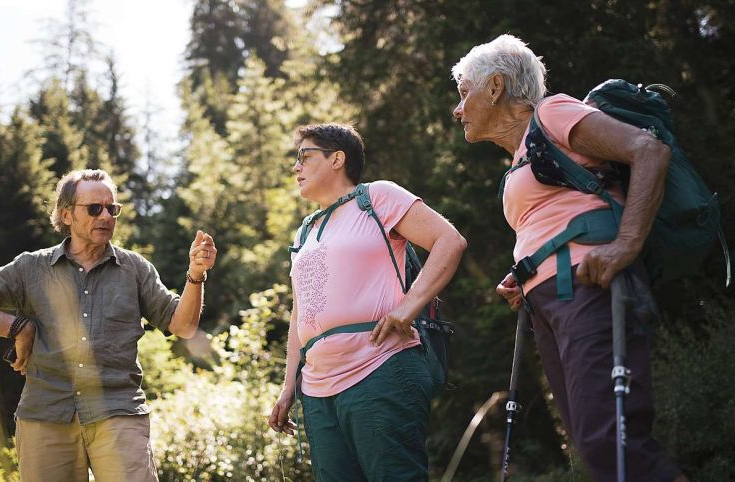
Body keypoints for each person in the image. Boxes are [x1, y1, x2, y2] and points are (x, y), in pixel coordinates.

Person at [451, 35, 688, 481]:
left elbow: (649, 151)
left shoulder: (552, 113)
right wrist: (526, 271)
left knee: (610, 440)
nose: (458, 109)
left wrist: (626, 243)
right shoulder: (524, 155)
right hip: (550, 300)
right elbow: (558, 221)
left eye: (465, 93)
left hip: (589, 287)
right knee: (591, 443)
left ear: (496, 86)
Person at [0, 169, 217, 482]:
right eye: (94, 208)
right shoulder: (31, 267)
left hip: (118, 413)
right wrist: (18, 326)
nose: (106, 216)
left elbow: (182, 326)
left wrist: (196, 274)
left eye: (112, 208)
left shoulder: (135, 269)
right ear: (66, 215)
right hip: (46, 414)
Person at [267, 123, 467, 481]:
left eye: (304, 156)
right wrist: (288, 388)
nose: (295, 167)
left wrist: (408, 307)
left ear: (337, 159)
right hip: (316, 390)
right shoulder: (305, 231)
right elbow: (302, 312)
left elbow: (449, 241)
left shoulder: (376, 197)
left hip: (380, 368)